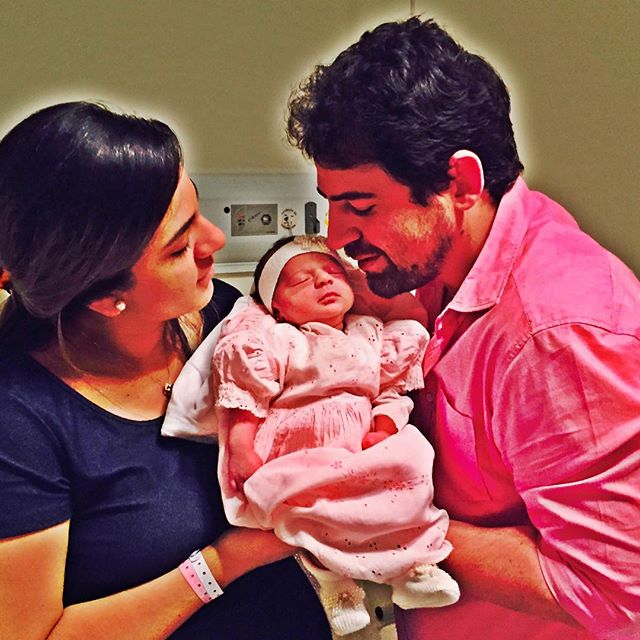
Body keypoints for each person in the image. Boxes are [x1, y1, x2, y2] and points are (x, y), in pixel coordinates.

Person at [285, 16, 640, 640]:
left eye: (361, 206)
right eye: (331, 203)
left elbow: (616, 589)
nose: (338, 236)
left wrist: (381, 522)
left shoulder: (557, 331)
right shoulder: (436, 270)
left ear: (462, 184)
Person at [0, 101, 332, 639]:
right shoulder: (21, 420)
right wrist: (226, 562)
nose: (215, 240)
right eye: (180, 247)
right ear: (105, 296)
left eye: (197, 208)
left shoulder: (224, 318)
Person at [209, 234, 459, 635]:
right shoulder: (280, 338)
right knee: (313, 510)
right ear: (276, 305)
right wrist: (240, 445)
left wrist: (384, 427)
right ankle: (334, 582)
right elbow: (247, 396)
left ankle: (412, 565)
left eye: (332, 273)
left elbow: (390, 391)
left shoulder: (370, 331)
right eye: (301, 280)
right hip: (302, 440)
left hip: (360, 437)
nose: (323, 281)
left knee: (412, 461)